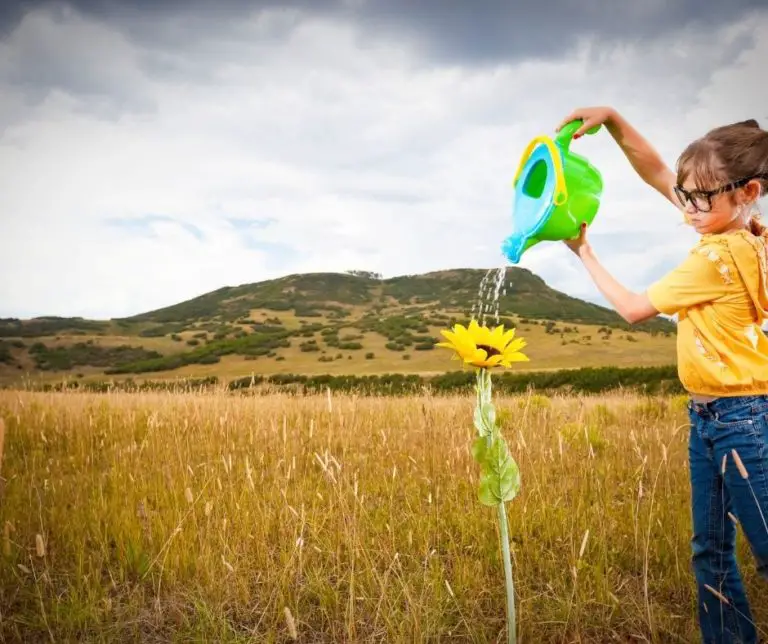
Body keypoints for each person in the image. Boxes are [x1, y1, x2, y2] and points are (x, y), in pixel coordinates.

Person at [556, 106, 768, 643]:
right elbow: (656, 173)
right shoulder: (752, 232)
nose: (689, 208)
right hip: (711, 417)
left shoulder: (714, 258)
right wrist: (613, 121)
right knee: (710, 550)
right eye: (686, 194)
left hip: (740, 422)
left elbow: (631, 308)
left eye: (702, 198)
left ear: (748, 191)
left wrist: (584, 251)